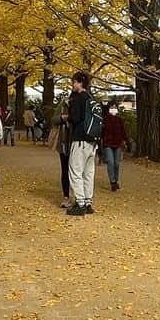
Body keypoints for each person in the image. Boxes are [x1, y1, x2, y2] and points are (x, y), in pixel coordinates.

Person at [67, 70, 101, 216]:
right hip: (92, 142)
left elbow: (74, 118)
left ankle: (79, 202)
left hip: (79, 139)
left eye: (74, 82)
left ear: (79, 82)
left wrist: (66, 115)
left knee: (75, 171)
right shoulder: (90, 98)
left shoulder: (78, 98)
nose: (72, 85)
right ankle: (88, 202)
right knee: (88, 173)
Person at [101, 99, 130, 191]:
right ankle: (112, 181)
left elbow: (123, 132)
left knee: (117, 163)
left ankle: (116, 180)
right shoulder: (105, 119)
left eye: (115, 107)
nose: (113, 109)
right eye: (111, 107)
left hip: (117, 143)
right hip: (108, 143)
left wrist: (127, 142)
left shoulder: (119, 120)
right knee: (110, 162)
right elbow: (102, 132)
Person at [55, 100, 73, 208]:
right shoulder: (62, 106)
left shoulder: (81, 104)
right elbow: (54, 119)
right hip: (63, 143)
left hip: (75, 142)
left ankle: (76, 196)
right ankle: (66, 196)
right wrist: (62, 118)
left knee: (75, 171)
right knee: (65, 170)